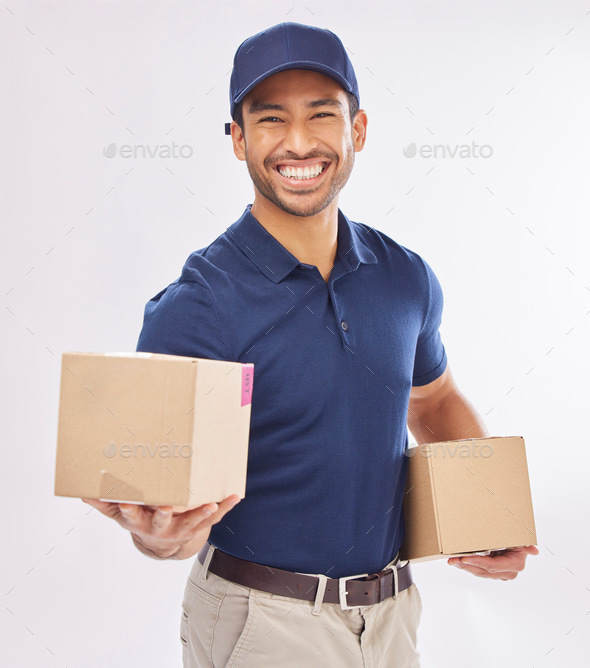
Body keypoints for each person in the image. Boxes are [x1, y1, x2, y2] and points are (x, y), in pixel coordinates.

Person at [83, 21, 539, 667]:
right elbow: (166, 507)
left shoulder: (403, 275)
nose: (298, 142)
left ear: (357, 129)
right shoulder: (198, 306)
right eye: (270, 119)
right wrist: (158, 538)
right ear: (238, 140)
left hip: (392, 612)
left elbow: (433, 402)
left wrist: (489, 515)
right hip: (262, 620)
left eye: (321, 114)